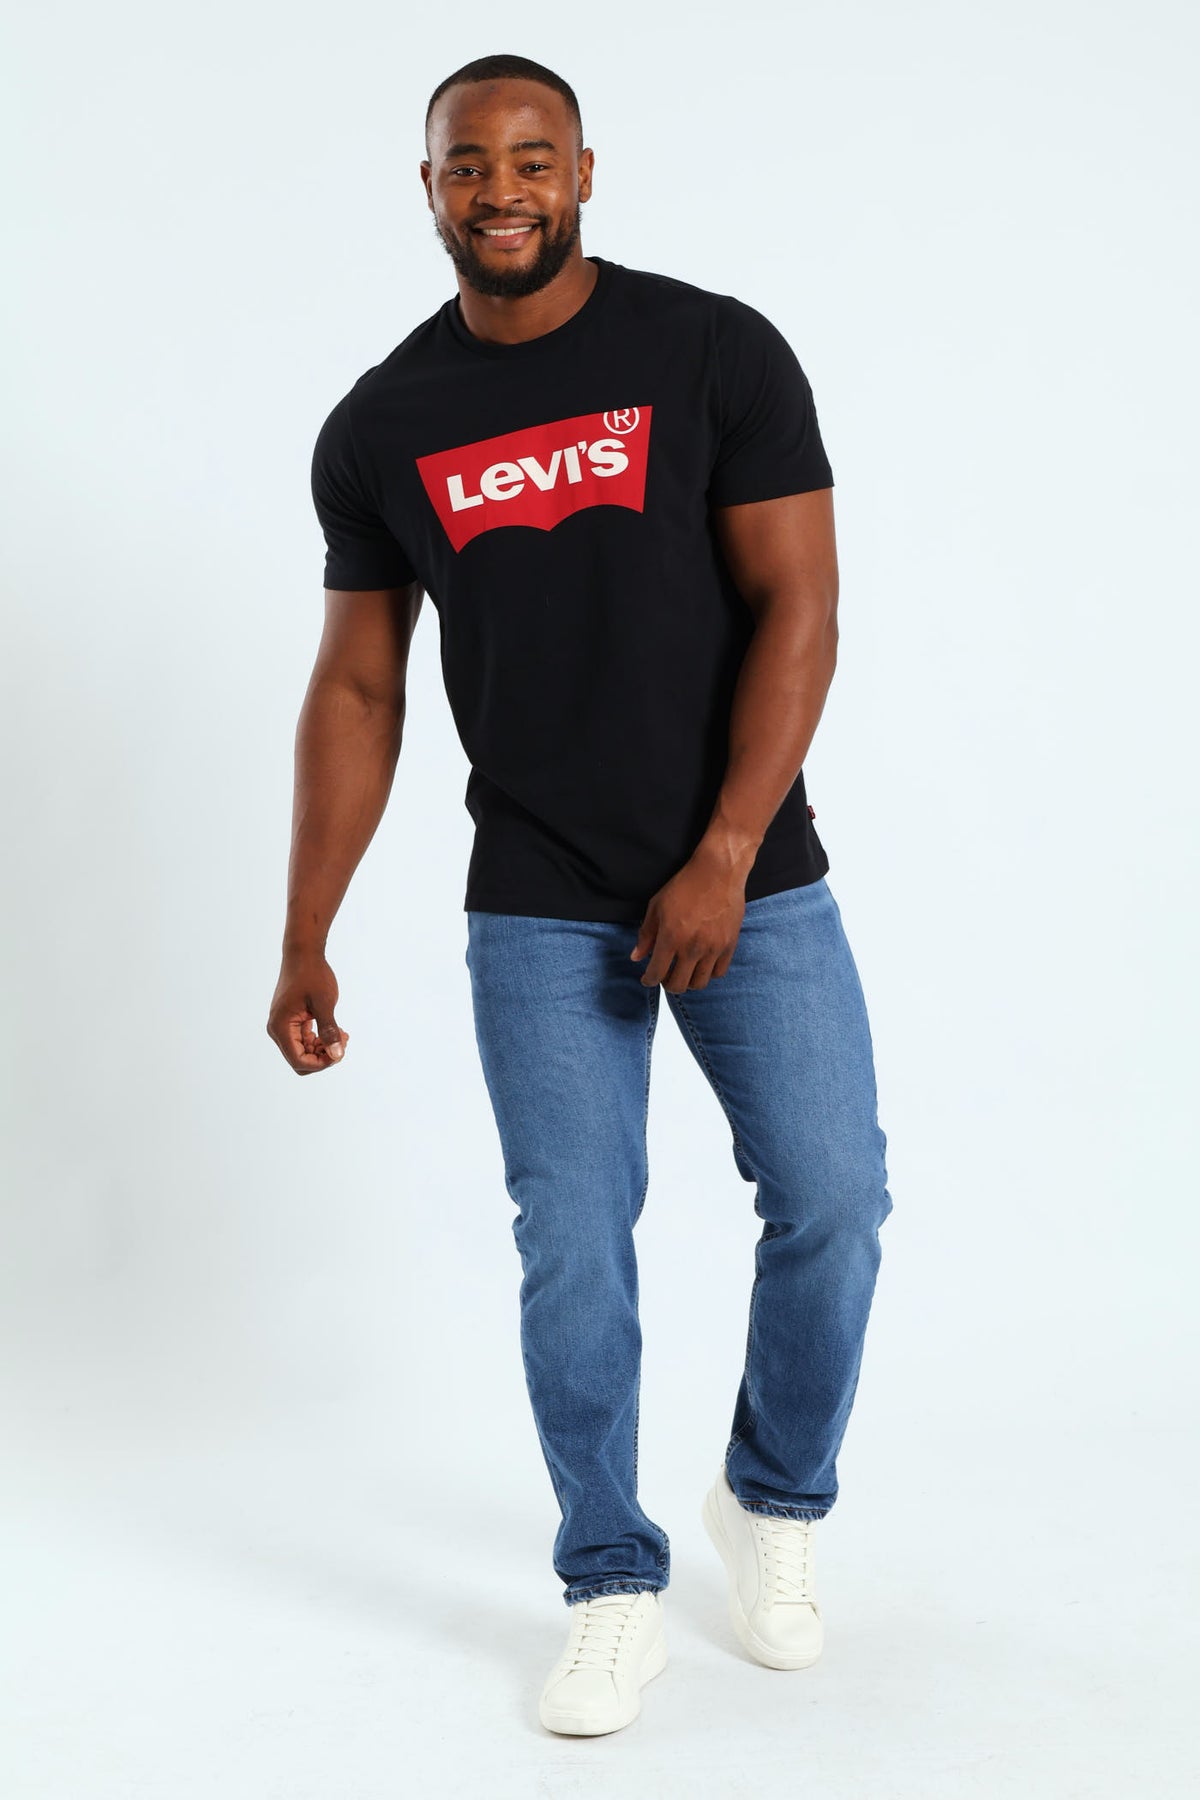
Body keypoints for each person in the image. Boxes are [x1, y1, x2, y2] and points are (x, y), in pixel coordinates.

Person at [267, 51, 894, 1739]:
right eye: (469, 164)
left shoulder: (712, 351)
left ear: (586, 173)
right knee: (573, 1242)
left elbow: (804, 610)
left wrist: (722, 855)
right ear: (430, 189)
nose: (503, 190)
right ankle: (611, 1581)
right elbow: (359, 687)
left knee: (834, 1199)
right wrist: (306, 929)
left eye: (532, 159)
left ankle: (771, 1498)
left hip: (751, 874)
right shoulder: (383, 424)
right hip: (539, 899)